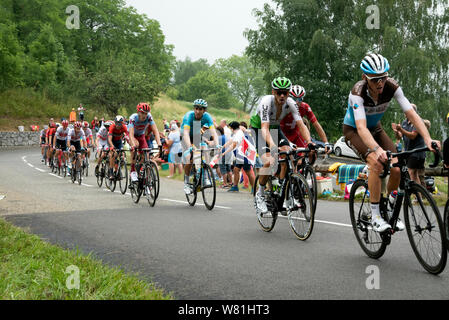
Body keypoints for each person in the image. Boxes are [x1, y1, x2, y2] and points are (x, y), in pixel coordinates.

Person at [342, 53, 439, 232]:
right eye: (375, 79)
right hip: (354, 131)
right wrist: (377, 150)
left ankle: (388, 203)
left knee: (396, 166)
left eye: (383, 78)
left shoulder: (392, 87)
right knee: (376, 163)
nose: (380, 83)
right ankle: (375, 216)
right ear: (365, 78)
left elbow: (411, 114)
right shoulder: (358, 93)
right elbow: (361, 128)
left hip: (376, 129)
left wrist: (427, 138)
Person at [249, 77, 312, 214]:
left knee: (287, 155)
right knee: (269, 160)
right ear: (273, 92)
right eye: (279, 92)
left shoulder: (290, 103)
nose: (282, 95)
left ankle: (284, 196)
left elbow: (301, 124)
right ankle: (259, 194)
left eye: (285, 92)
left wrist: (309, 142)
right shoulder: (266, 102)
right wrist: (272, 145)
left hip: (275, 128)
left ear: (288, 93)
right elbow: (264, 128)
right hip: (258, 128)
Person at [181, 99, 219, 195]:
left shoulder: (207, 117)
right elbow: (185, 133)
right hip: (185, 136)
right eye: (196, 108)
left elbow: (213, 131)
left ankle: (204, 176)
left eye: (200, 109)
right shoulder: (189, 116)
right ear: (194, 108)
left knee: (205, 149)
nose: (198, 111)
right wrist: (189, 146)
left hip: (197, 136)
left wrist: (217, 143)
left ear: (204, 110)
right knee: (190, 158)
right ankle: (186, 182)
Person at [280, 85, 332, 156]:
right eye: (294, 99)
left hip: (296, 133)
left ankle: (306, 166)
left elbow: (316, 125)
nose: (297, 102)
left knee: (307, 154)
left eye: (300, 99)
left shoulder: (304, 107)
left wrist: (326, 143)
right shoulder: (282, 107)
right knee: (283, 161)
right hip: (282, 133)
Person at [392, 104, 426, 186]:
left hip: (417, 152)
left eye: (406, 110)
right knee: (414, 174)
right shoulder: (405, 122)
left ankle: (415, 194)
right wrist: (397, 131)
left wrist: (401, 130)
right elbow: (400, 136)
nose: (404, 112)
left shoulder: (418, 121)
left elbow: (413, 136)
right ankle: (419, 196)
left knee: (411, 172)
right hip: (409, 152)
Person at [128, 103, 162, 182]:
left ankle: (141, 173)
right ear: (138, 112)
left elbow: (155, 131)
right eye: (142, 113)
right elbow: (131, 134)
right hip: (132, 135)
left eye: (146, 113)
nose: (144, 115)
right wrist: (133, 145)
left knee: (146, 154)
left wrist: (159, 144)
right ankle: (132, 171)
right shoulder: (133, 118)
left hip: (141, 135)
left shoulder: (149, 117)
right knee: (135, 146)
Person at [219, 121, 256, 192]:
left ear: (232, 128)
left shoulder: (238, 134)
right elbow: (230, 141)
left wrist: (224, 153)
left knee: (248, 172)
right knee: (236, 169)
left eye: (230, 128)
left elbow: (233, 145)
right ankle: (235, 187)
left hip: (245, 155)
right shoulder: (236, 133)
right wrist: (222, 147)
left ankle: (254, 188)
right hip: (240, 156)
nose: (230, 129)